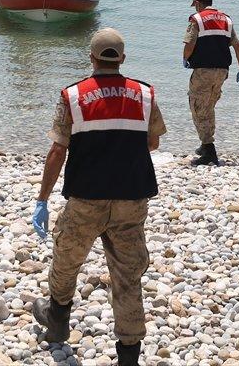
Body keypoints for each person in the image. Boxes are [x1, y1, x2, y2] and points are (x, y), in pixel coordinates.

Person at [30, 28, 165, 366]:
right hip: (131, 200)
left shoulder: (73, 96)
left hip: (86, 198)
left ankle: (57, 321)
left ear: (90, 57)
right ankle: (129, 355)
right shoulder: (145, 94)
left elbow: (58, 150)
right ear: (122, 59)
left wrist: (42, 199)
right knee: (128, 276)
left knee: (66, 259)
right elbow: (153, 142)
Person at [182, 0, 239, 166]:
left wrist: (185, 58)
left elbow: (189, 43)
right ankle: (205, 144)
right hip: (222, 72)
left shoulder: (196, 19)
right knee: (208, 107)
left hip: (203, 71)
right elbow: (238, 46)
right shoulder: (226, 19)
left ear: (197, 4)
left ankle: (209, 150)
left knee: (197, 107)